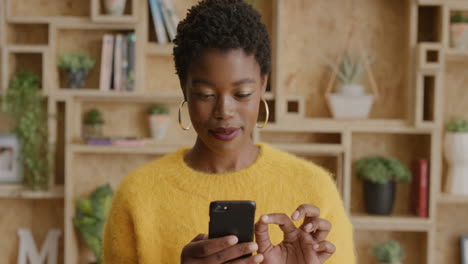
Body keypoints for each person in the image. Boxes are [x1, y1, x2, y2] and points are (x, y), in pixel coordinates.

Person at [102, 0, 355, 263]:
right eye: (206, 94)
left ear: (263, 84)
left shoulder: (314, 190)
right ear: (183, 87)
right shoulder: (138, 195)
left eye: (242, 93)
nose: (224, 111)